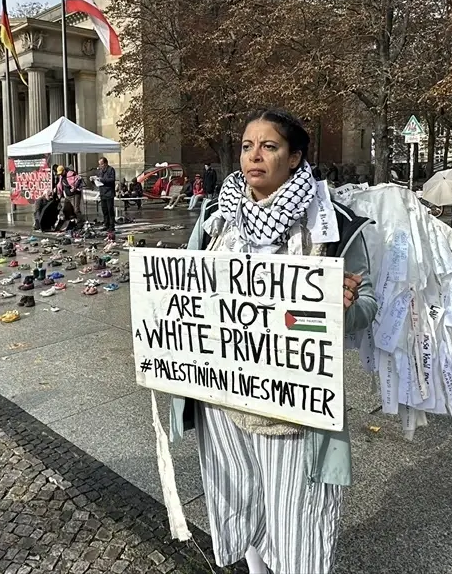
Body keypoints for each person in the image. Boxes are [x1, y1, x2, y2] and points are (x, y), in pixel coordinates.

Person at [170, 110, 377, 574]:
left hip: (292, 409)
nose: (254, 156)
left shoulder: (333, 224)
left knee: (297, 520)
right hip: (223, 399)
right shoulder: (215, 217)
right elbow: (187, 288)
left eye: (269, 146)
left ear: (295, 155)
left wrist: (343, 306)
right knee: (244, 505)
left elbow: (370, 305)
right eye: (247, 146)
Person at [94, 157, 116, 241]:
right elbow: (98, 181)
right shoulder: (100, 171)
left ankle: (111, 226)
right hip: (102, 192)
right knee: (104, 210)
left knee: (110, 209)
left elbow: (112, 179)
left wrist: (102, 179)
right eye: (99, 164)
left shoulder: (111, 170)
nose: (100, 165)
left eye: (101, 164)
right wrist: (94, 180)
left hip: (109, 192)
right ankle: (106, 224)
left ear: (105, 163)